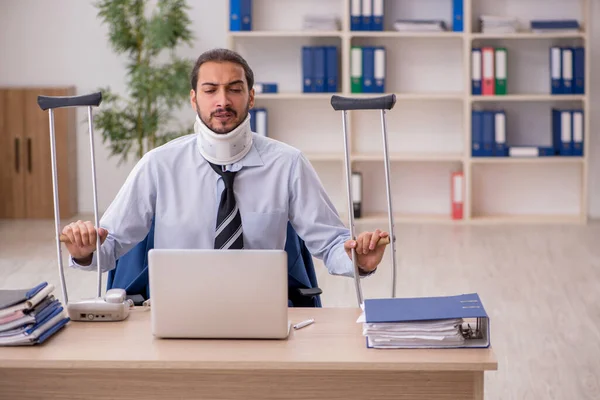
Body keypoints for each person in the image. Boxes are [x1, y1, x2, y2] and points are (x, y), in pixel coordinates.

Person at [63, 48, 390, 279]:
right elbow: (111, 246)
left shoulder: (288, 164)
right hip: (179, 311)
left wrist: (359, 261)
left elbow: (332, 244)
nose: (222, 101)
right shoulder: (158, 165)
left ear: (251, 97)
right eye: (210, 90)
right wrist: (84, 251)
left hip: (261, 309)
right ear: (194, 98)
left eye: (235, 89)